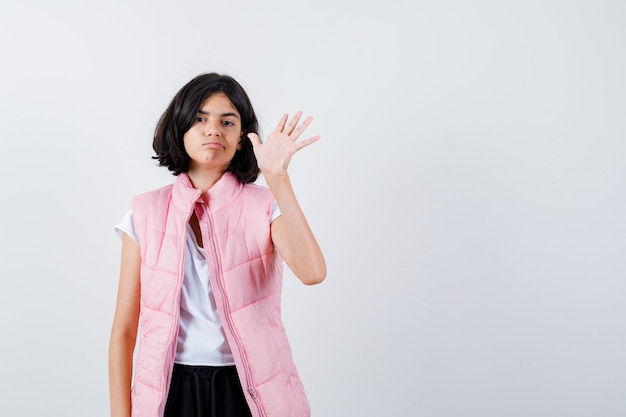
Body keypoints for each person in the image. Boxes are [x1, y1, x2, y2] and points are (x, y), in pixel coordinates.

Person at [109, 73, 326, 417]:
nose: (213, 130)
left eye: (227, 121)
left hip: (248, 386)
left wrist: (278, 179)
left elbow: (313, 272)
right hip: (169, 388)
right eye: (199, 118)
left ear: (241, 139)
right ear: (179, 130)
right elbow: (124, 330)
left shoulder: (263, 206)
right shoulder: (144, 211)